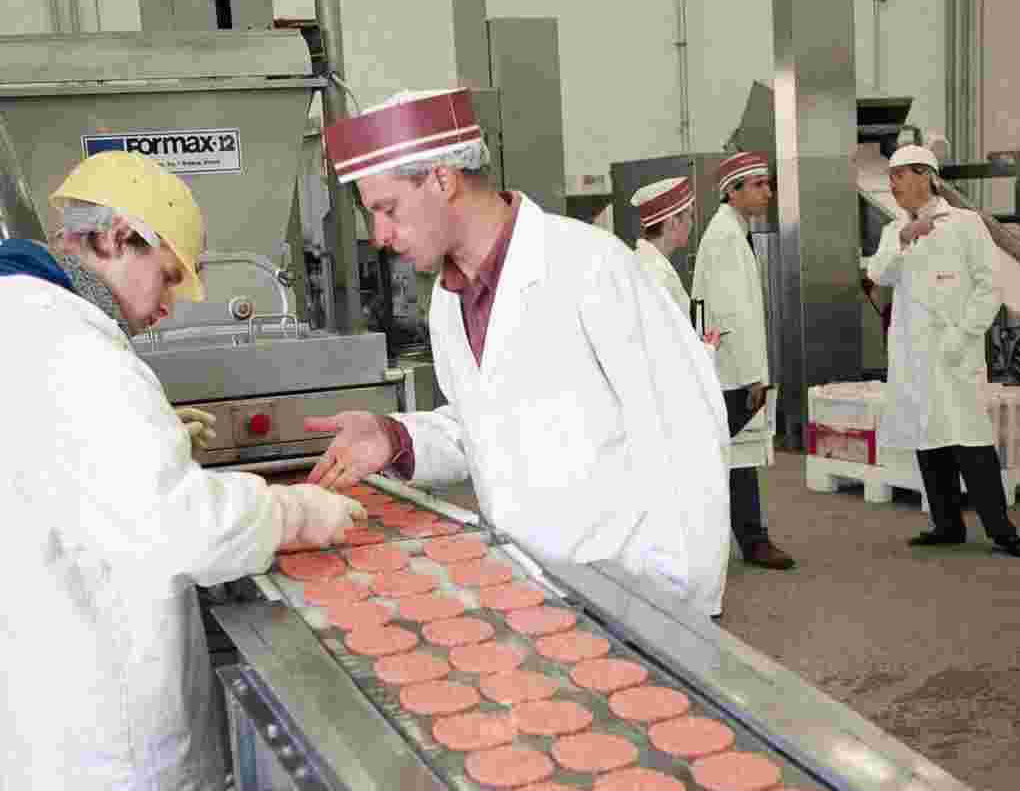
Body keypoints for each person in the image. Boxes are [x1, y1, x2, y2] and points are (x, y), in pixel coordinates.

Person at [0, 151, 364, 791]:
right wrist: (291, 511)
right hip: (87, 686)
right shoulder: (74, 351)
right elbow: (174, 531)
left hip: (50, 659)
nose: (166, 308)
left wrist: (162, 439)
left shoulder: (31, 322)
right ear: (117, 241)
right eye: (168, 278)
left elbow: (81, 478)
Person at [303, 88, 730, 619]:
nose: (381, 235)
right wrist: (395, 437)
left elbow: (687, 432)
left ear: (442, 177)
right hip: (529, 594)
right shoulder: (449, 298)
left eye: (387, 209)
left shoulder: (590, 269)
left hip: (633, 598)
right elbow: (486, 427)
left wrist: (682, 609)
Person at [866, 143, 1020, 555]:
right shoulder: (893, 229)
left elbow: (991, 285)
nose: (893, 185)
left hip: (954, 351)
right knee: (928, 436)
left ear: (925, 175)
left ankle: (1002, 530)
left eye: (899, 176)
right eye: (891, 178)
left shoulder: (967, 224)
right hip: (913, 354)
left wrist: (962, 335)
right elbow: (878, 274)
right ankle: (946, 523)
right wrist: (903, 237)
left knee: (970, 438)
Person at [692, 151, 795, 570]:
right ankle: (753, 541)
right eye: (759, 185)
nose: (768, 193)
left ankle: (747, 537)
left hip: (730, 365)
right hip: (734, 371)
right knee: (739, 458)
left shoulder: (730, 232)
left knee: (735, 458)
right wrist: (755, 377)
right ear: (732, 192)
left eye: (768, 184)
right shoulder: (726, 238)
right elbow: (734, 314)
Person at [629, 176, 721, 353]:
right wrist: (708, 349)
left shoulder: (641, 263)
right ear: (672, 222)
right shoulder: (657, 276)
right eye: (690, 216)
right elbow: (666, 350)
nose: (692, 223)